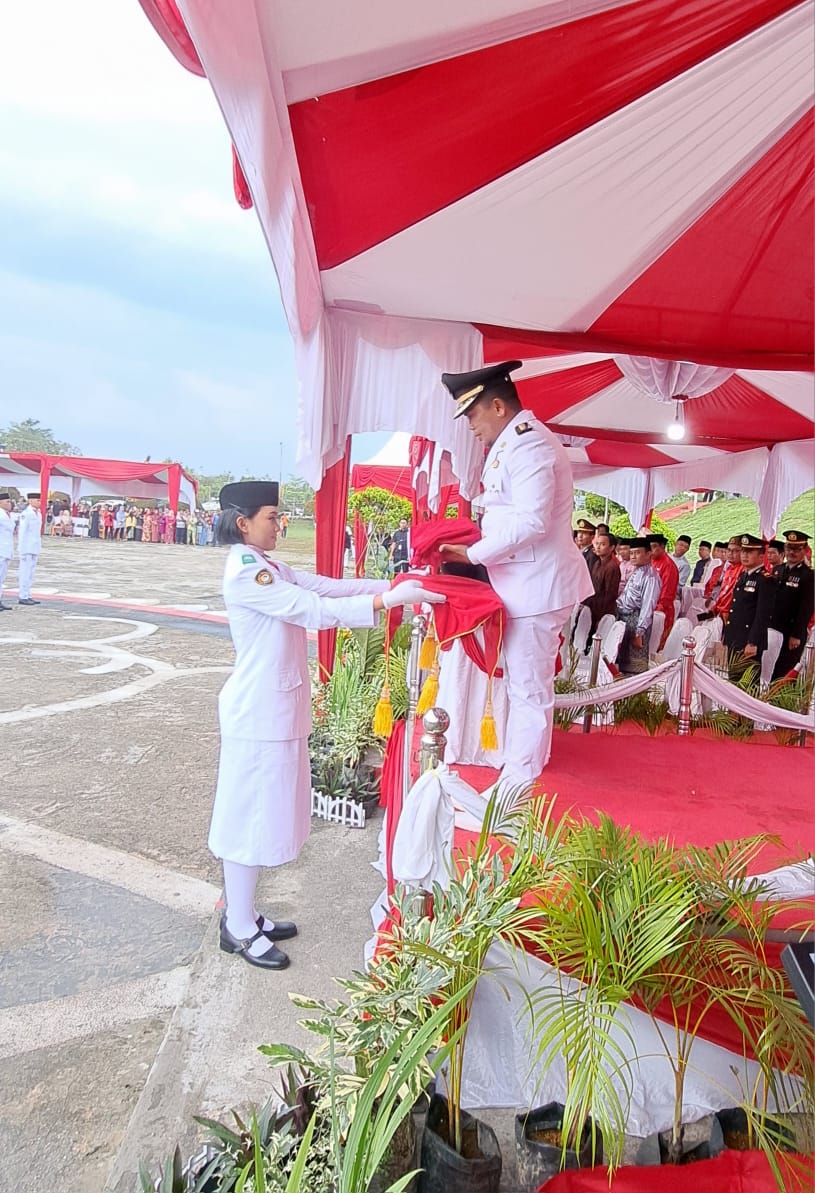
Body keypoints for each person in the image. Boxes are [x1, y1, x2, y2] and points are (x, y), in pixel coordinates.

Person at [208, 481, 444, 970]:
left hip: (276, 710)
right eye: (272, 516)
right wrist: (385, 604)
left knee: (263, 812)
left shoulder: (268, 565)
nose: (280, 524)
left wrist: (392, 587)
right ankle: (238, 926)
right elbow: (313, 609)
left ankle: (246, 912)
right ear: (243, 522)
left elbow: (325, 586)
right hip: (257, 713)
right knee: (245, 816)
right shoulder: (246, 572)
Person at [438, 360, 593, 790]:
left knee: (528, 691)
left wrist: (474, 553)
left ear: (499, 407)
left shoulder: (530, 446)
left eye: (473, 414)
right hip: (525, 583)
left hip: (538, 586)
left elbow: (531, 521)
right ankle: (525, 767)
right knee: (527, 687)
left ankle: (515, 789)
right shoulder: (512, 444)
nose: (470, 426)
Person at [724, 534, 777, 678]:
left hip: (749, 639)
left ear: (761, 556)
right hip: (736, 636)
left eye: (749, 552)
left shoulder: (765, 579)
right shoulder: (744, 576)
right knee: (734, 679)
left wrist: (753, 642)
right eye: (743, 551)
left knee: (747, 682)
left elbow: (762, 614)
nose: (744, 555)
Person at [770, 530, 814, 679]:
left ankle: (779, 702)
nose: (792, 552)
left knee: (784, 671)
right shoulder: (777, 570)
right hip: (773, 628)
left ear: (804, 550)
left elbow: (806, 608)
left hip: (791, 632)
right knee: (769, 668)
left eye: (797, 549)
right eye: (789, 548)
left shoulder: (808, 576)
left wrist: (796, 635)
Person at [615, 537, 661, 674]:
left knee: (635, 663)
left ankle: (636, 693)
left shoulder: (651, 577)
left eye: (638, 553)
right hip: (625, 618)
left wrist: (639, 631)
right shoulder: (637, 571)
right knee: (623, 661)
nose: (633, 556)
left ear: (648, 554)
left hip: (636, 620)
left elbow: (648, 605)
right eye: (632, 553)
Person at [581, 531, 620, 640]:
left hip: (602, 611)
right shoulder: (597, 563)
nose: (598, 547)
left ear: (612, 547)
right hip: (591, 607)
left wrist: (601, 618)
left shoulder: (612, 567)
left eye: (603, 544)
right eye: (597, 543)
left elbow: (610, 595)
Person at [647, 533, 678, 650]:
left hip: (661, 611)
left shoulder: (668, 565)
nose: (651, 550)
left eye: (654, 546)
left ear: (662, 547)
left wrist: (656, 610)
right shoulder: (650, 561)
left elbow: (667, 593)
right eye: (649, 547)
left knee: (655, 646)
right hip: (648, 608)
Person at [17, 493, 43, 605]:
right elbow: (21, 532)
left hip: (34, 546)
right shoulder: (26, 514)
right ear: (31, 501)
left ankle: (27, 594)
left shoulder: (39, 514)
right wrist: (21, 548)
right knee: (25, 572)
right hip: (26, 547)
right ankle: (22, 595)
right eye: (38, 500)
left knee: (30, 573)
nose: (40, 502)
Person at [0, 493, 15, 611]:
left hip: (6, 550)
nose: (10, 504)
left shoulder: (8, 515)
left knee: (2, 578)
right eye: (7, 502)